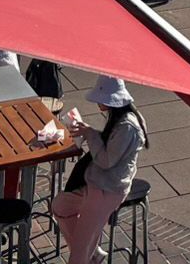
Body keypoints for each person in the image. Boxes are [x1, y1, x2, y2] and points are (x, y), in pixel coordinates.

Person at [53, 76, 148, 264]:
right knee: (60, 207)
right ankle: (92, 254)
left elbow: (106, 160)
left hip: (107, 190)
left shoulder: (127, 127)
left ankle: (86, 254)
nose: (98, 104)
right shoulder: (120, 119)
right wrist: (90, 133)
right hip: (96, 182)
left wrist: (90, 134)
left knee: (80, 250)